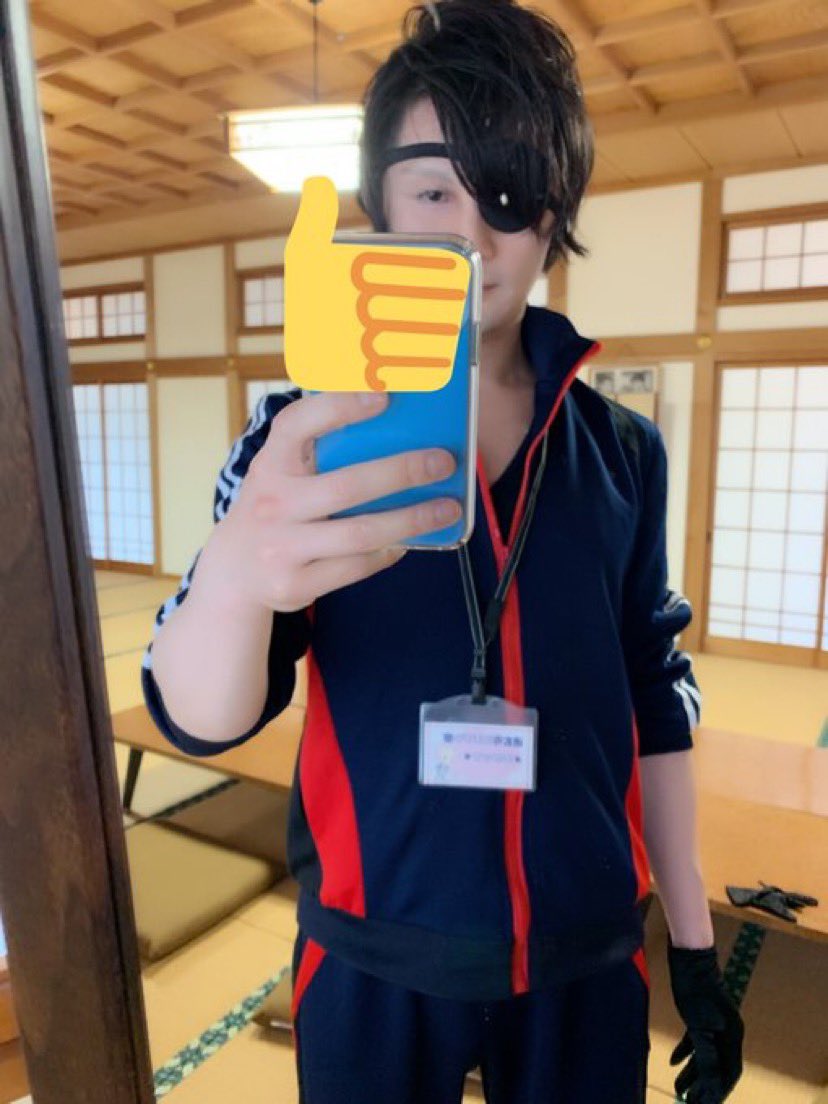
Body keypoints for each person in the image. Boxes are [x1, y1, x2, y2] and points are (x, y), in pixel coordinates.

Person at [142, 2, 744, 1101]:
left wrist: (696, 943)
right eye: (432, 191)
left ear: (554, 217)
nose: (470, 234)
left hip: (585, 953)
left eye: (507, 194)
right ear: (379, 207)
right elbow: (202, 718)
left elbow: (655, 700)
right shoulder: (302, 439)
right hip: (370, 954)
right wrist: (231, 572)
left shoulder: (624, 452)